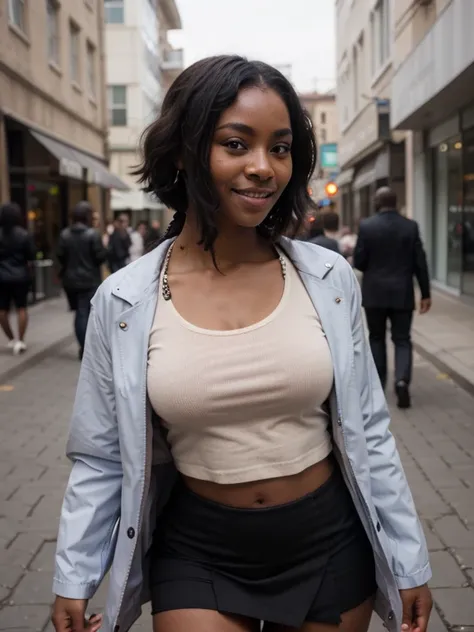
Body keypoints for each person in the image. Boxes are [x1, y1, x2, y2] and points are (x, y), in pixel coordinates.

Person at [51, 56, 432, 632]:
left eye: (279, 148)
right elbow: (102, 456)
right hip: (198, 549)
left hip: (328, 542)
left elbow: (370, 430)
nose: (263, 167)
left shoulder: (327, 280)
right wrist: (74, 576)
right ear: (183, 151)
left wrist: (410, 561)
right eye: (236, 144)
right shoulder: (123, 301)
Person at [353, 186, 431, 409]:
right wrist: (425, 293)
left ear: (377, 203)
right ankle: (402, 380)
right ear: (395, 203)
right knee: (402, 339)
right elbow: (420, 263)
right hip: (402, 294)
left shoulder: (367, 226)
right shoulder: (410, 226)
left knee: (376, 338)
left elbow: (359, 262)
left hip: (374, 294)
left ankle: (379, 383)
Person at [57, 201, 107, 359]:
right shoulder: (92, 234)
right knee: (83, 312)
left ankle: (83, 346)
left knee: (79, 312)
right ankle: (86, 348)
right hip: (89, 280)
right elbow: (100, 257)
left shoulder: (65, 234)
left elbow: (60, 256)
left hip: (70, 281)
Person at [0, 202, 35, 355]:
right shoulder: (23, 234)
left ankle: (11, 338)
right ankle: (20, 340)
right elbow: (31, 255)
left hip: (1, 276)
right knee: (22, 307)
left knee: (2, 309)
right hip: (20, 275)